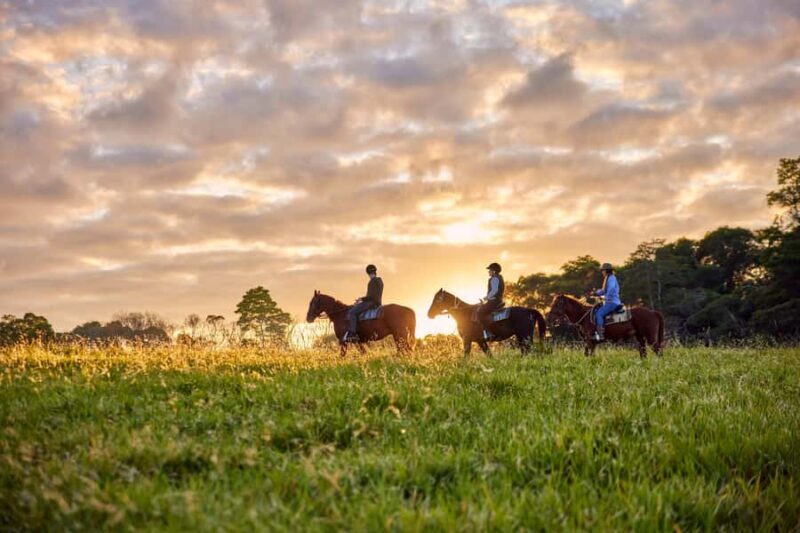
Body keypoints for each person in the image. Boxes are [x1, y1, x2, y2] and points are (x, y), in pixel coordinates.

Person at [344, 264, 383, 342]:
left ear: (368, 273)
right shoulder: (380, 281)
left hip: (371, 302)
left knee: (352, 312)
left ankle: (353, 334)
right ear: (375, 272)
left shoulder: (372, 281)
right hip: (378, 303)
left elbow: (371, 296)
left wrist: (360, 299)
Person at [593, 262, 622, 341]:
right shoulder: (607, 278)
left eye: (603, 270)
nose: (602, 272)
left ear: (606, 270)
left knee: (599, 314)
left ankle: (600, 334)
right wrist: (596, 293)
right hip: (609, 301)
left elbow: (611, 289)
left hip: (612, 302)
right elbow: (603, 290)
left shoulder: (612, 278)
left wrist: (605, 297)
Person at [477, 262, 504, 339]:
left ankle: (488, 332)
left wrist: (487, 297)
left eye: (490, 270)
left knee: (479, 312)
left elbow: (494, 290)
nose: (489, 272)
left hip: (493, 301)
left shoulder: (494, 279)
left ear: (494, 271)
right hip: (498, 300)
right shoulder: (499, 277)